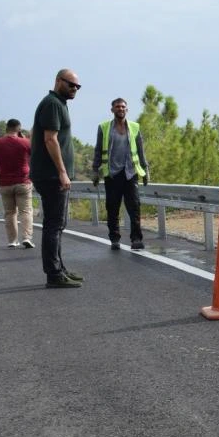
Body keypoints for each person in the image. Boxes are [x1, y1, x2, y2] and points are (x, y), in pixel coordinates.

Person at [30, 69, 83, 289]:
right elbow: (50, 139)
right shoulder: (52, 103)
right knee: (54, 224)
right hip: (51, 175)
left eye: (77, 87)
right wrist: (62, 172)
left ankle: (59, 268)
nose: (74, 89)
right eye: (71, 85)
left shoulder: (58, 103)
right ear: (58, 81)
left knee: (58, 223)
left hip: (51, 174)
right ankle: (54, 274)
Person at [92, 98, 149, 250]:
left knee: (134, 207)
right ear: (112, 110)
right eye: (117, 107)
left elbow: (140, 150)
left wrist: (145, 170)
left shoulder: (135, 127)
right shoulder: (104, 127)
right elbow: (98, 150)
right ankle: (115, 238)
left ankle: (136, 239)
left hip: (130, 173)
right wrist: (95, 170)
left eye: (123, 107)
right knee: (112, 208)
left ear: (127, 110)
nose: (121, 109)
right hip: (112, 173)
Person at [0, 119, 34, 249]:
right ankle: (27, 238)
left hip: (5, 184)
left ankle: (13, 240)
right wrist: (25, 139)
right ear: (18, 129)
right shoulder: (25, 143)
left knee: (9, 212)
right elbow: (34, 158)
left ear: (6, 128)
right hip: (23, 182)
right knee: (25, 211)